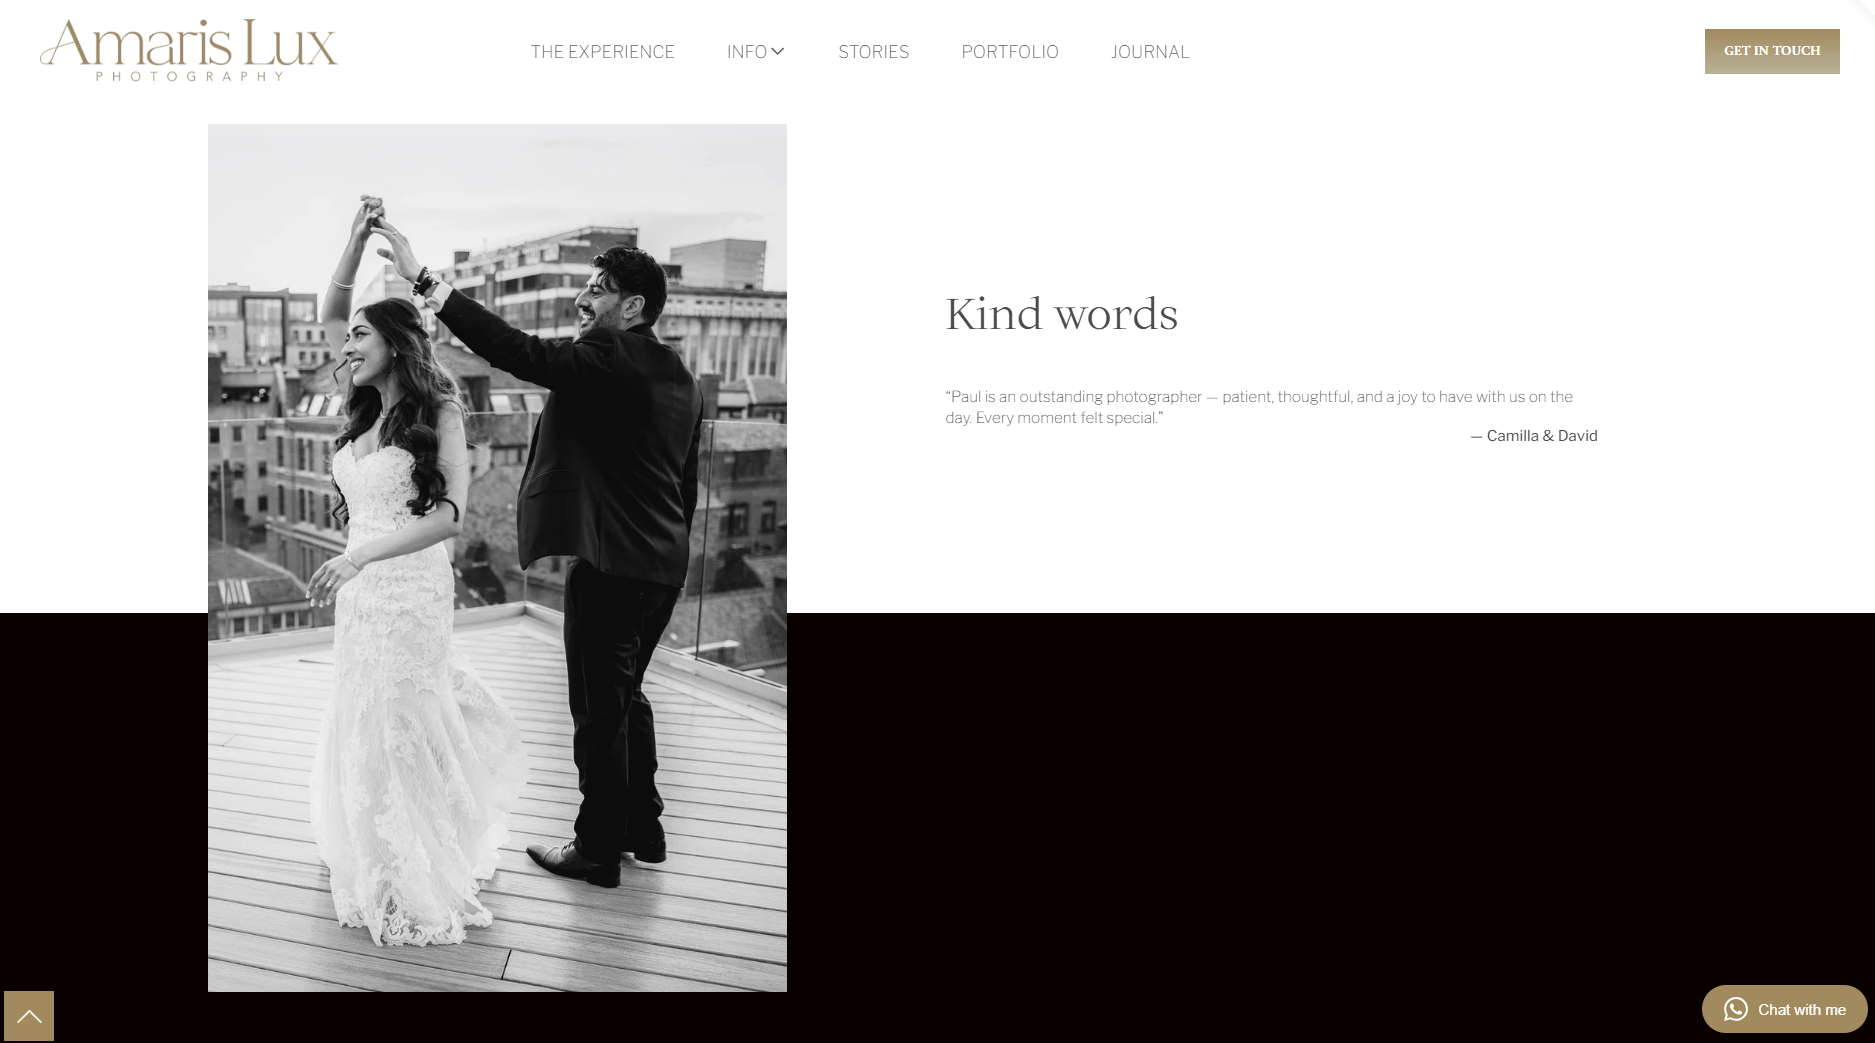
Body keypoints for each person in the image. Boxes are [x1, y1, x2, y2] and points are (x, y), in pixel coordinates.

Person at [370, 214, 701, 888]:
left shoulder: (606, 358)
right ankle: (645, 826)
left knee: (598, 710)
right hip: (663, 566)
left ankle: (597, 848)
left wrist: (426, 282)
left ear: (632, 307)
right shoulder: (681, 377)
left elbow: (514, 349)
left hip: (611, 568)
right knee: (628, 697)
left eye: (599, 289)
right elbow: (685, 486)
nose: (585, 298)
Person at [303, 196, 528, 945]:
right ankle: (372, 846)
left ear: (396, 344)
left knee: (403, 714)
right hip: (356, 591)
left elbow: (451, 516)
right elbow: (332, 303)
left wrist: (362, 553)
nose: (344, 344)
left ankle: (416, 859)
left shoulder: (440, 409)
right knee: (363, 712)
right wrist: (355, 237)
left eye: (360, 336)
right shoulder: (360, 408)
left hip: (403, 584)